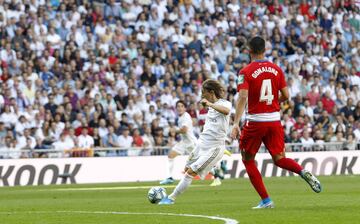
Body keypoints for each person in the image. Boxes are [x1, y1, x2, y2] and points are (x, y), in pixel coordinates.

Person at [231, 36, 322, 209]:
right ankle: (302, 171)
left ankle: (266, 200)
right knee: (280, 159)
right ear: (264, 50)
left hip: (256, 122)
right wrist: (272, 103)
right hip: (274, 120)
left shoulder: (245, 72)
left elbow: (242, 97)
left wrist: (236, 123)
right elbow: (287, 96)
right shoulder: (276, 69)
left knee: (248, 159)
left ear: (249, 51)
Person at [159, 79, 231, 205]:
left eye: (204, 92)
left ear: (211, 92)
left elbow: (226, 111)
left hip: (214, 148)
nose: (202, 95)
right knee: (186, 169)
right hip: (200, 144)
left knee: (191, 173)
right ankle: (217, 168)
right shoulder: (210, 107)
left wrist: (210, 104)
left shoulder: (224, 103)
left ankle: (171, 198)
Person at [160, 100, 197, 185]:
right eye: (178, 106)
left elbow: (184, 130)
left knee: (200, 162)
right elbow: (181, 131)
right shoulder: (180, 118)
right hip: (184, 142)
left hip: (192, 143)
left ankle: (217, 171)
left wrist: (174, 131)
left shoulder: (186, 116)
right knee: (170, 155)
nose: (179, 108)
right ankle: (170, 178)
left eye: (181, 106)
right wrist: (173, 133)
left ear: (185, 108)